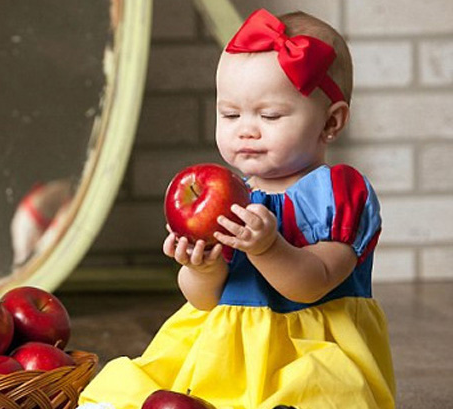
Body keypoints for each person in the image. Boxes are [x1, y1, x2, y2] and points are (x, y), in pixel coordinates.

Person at [78, 8, 395, 409]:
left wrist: (268, 248)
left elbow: (313, 283)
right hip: (225, 353)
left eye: (270, 115)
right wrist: (201, 269)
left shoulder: (338, 193)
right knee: (151, 391)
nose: (246, 128)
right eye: (229, 113)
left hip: (308, 351)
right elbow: (205, 301)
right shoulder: (231, 196)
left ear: (330, 123)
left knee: (318, 397)